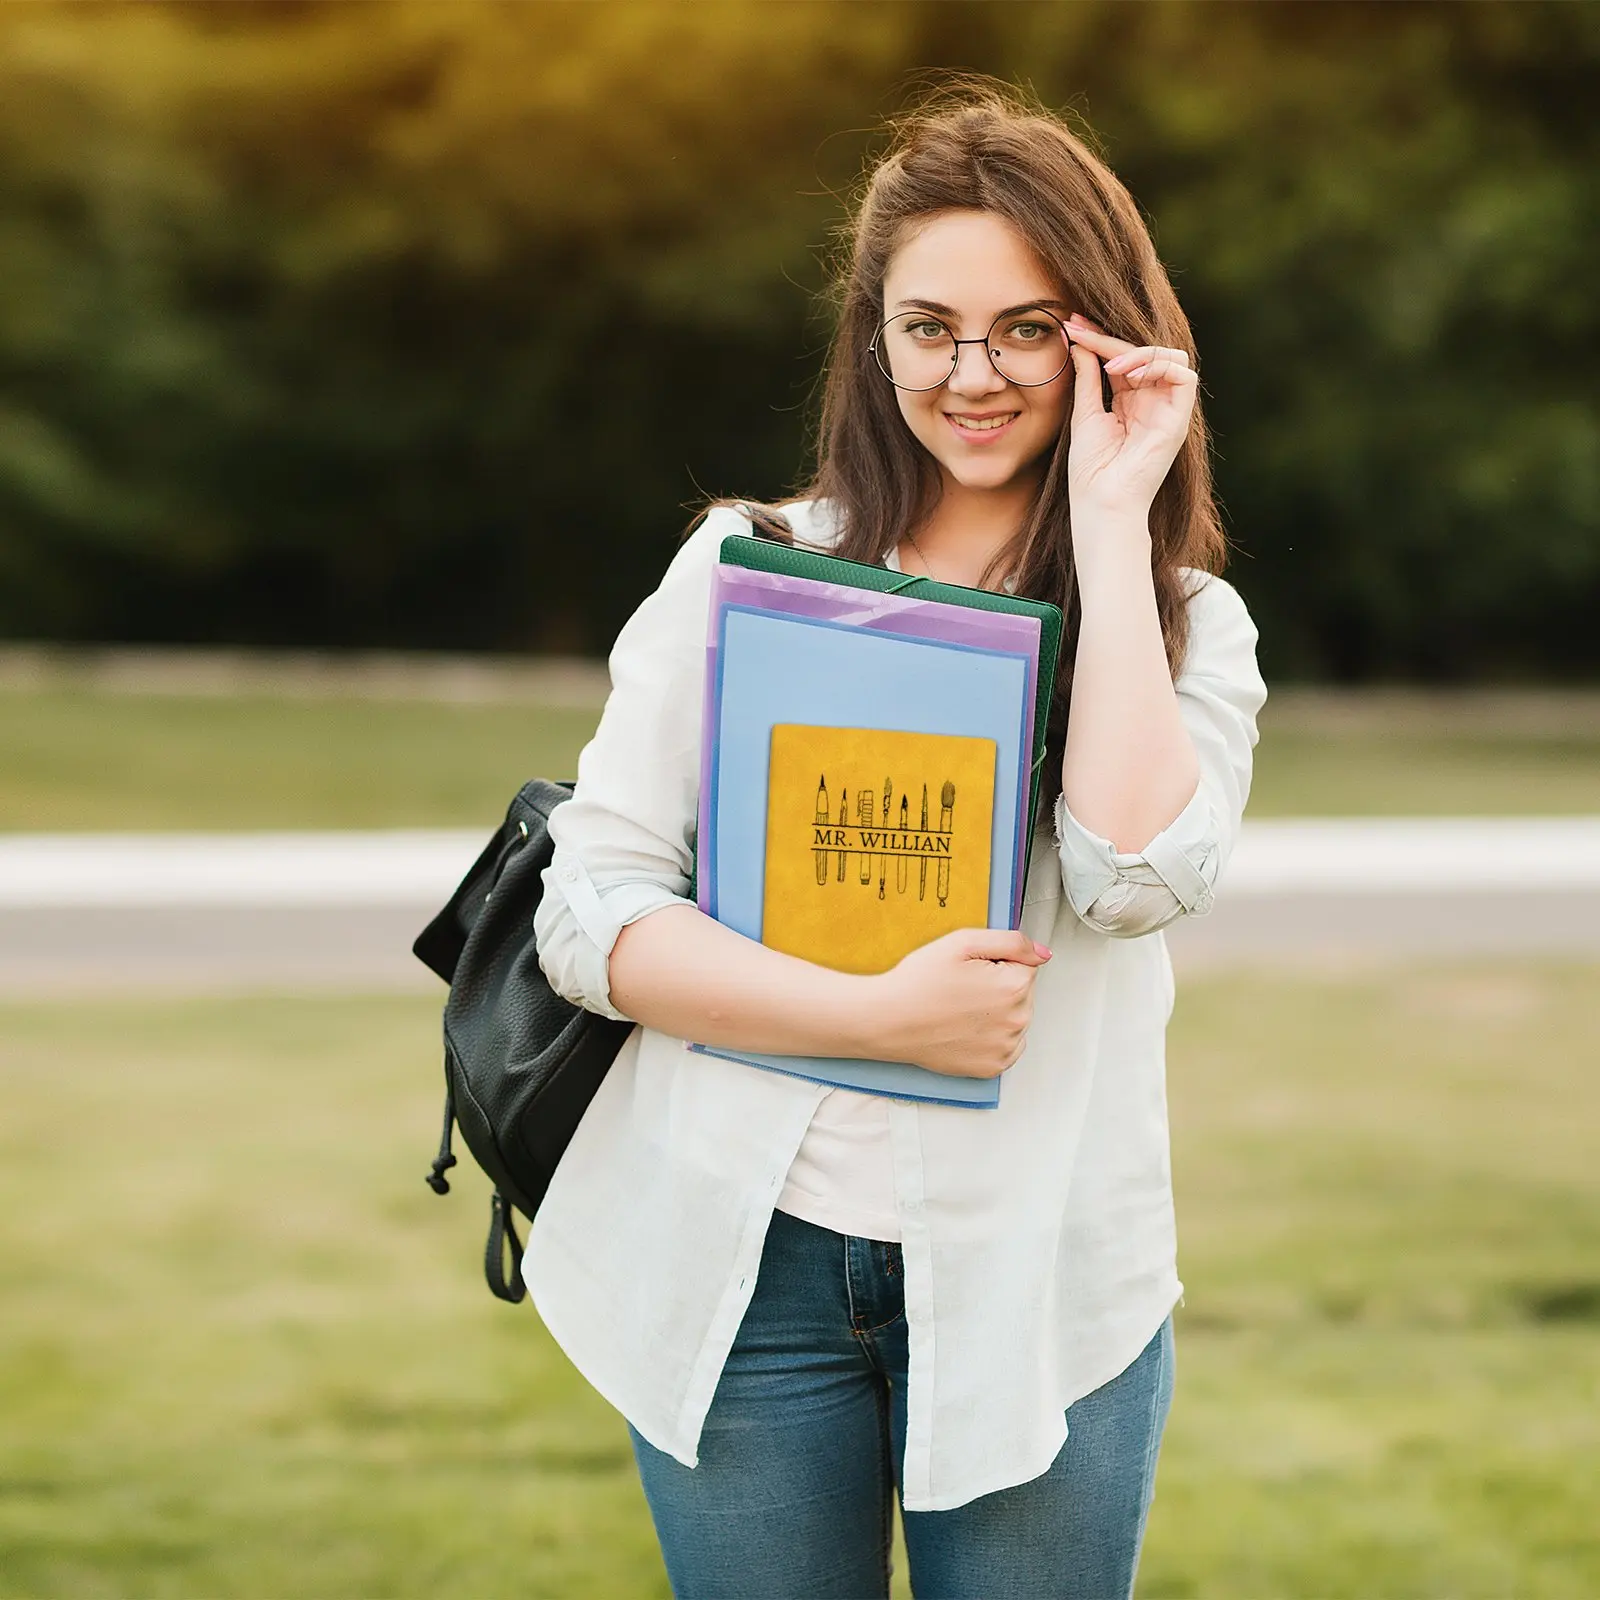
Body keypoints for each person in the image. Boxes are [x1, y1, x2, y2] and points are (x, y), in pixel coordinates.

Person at [529, 84, 1266, 1600]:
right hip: (743, 1272)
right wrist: (874, 1019)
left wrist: (1115, 525)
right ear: (874, 335)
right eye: (929, 326)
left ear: (1103, 336)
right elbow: (589, 914)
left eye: (1027, 328)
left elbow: (1137, 879)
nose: (972, 374)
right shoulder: (751, 567)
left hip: (1042, 1280)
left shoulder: (1186, 623)